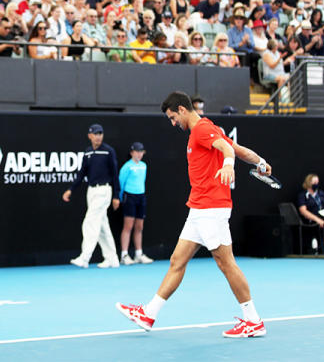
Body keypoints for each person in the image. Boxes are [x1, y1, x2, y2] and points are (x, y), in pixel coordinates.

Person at [116, 91, 272, 338]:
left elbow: (227, 150)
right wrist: (261, 162)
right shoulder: (207, 130)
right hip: (198, 208)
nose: (172, 123)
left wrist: (228, 165)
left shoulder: (201, 129)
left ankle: (253, 321)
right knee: (177, 261)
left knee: (226, 263)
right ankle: (149, 313)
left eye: (172, 117)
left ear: (181, 109)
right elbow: (239, 149)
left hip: (212, 208)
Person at [61, 123, 121, 269]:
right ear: (90, 136)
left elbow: (114, 174)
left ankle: (84, 258)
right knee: (101, 226)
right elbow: (82, 173)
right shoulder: (87, 152)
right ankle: (112, 259)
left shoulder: (108, 151)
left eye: (100, 133)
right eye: (95, 133)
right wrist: (71, 189)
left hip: (104, 191)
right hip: (92, 192)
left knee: (90, 222)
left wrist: (116, 196)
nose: (98, 136)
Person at [118, 142, 153, 266]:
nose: (139, 154)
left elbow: (142, 181)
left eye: (141, 151)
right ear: (132, 152)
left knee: (139, 227)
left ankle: (138, 254)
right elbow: (121, 182)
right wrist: (119, 197)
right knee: (128, 226)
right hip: (129, 197)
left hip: (141, 197)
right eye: (137, 151)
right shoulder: (127, 167)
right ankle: (124, 255)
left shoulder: (144, 166)